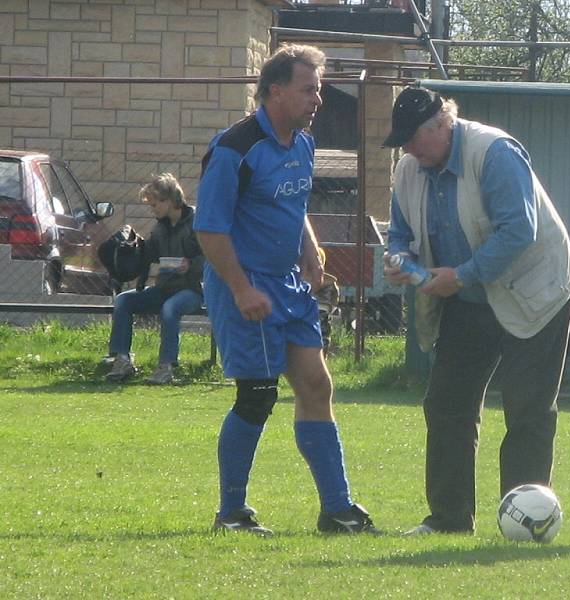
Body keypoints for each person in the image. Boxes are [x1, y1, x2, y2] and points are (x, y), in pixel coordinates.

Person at [195, 44, 377, 536]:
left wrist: (312, 254)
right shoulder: (235, 148)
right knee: (256, 395)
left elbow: (293, 209)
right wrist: (239, 288)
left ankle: (337, 510)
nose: (318, 99)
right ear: (276, 90)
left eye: (318, 89)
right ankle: (231, 513)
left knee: (317, 386)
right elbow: (210, 229)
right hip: (247, 285)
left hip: (289, 286)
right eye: (309, 89)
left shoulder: (302, 142)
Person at [383, 86, 570, 535]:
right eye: (402, 143)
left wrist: (462, 275)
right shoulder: (408, 171)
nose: (407, 150)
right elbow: (398, 233)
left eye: (412, 139)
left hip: (536, 292)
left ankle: (527, 522)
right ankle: (449, 521)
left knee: (527, 407)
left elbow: (518, 231)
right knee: (447, 403)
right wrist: (400, 261)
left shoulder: (494, 152)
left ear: (442, 124)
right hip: (468, 299)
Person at [105, 173, 204, 385]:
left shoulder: (197, 221)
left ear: (169, 200)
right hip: (165, 288)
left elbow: (214, 256)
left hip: (194, 290)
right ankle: (122, 360)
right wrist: (129, 247)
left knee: (170, 308)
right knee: (124, 300)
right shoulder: (161, 227)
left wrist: (192, 265)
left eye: (155, 204)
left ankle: (166, 366)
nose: (152, 209)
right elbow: (148, 255)